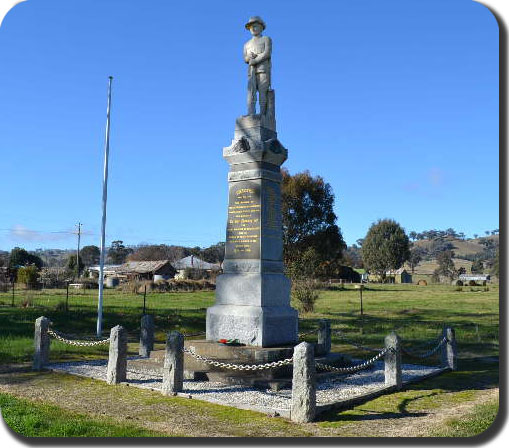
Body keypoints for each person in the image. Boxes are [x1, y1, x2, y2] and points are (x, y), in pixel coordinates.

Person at [244, 16, 272, 116]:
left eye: (255, 26)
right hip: (251, 71)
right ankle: (250, 113)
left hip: (262, 70)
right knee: (250, 93)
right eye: (251, 27)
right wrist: (249, 57)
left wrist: (256, 60)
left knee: (262, 92)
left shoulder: (266, 39)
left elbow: (267, 53)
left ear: (261, 27)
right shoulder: (247, 44)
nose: (253, 28)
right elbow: (245, 58)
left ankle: (263, 114)